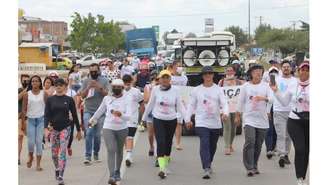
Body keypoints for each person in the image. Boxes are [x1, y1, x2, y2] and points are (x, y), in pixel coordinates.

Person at [141, 70, 187, 179]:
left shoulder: (175, 90)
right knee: (160, 141)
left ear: (170, 79)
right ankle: (162, 168)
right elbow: (150, 104)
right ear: (159, 79)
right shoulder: (155, 90)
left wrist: (187, 118)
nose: (165, 80)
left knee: (168, 142)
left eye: (167, 78)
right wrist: (143, 119)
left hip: (171, 119)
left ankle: (166, 160)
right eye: (163, 78)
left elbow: (180, 106)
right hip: (158, 118)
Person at [185, 66, 229, 179]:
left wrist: (225, 113)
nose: (208, 76)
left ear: (213, 75)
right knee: (204, 143)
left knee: (212, 146)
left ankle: (208, 162)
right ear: (203, 76)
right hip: (201, 122)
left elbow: (224, 103)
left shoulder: (218, 89)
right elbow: (191, 105)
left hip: (215, 123)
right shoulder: (197, 90)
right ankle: (206, 167)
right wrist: (187, 119)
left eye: (210, 73)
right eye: (206, 74)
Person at [270, 62, 309, 185]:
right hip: (295, 119)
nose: (304, 72)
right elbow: (284, 102)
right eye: (302, 70)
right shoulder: (294, 85)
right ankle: (299, 178)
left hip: (310, 121)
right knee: (300, 149)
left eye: (307, 70)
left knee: (307, 150)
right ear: (298, 71)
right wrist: (276, 91)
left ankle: (303, 175)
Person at [88, 79, 132, 185]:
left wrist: (121, 115)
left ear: (122, 88)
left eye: (118, 87)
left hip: (122, 128)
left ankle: (117, 171)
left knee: (119, 150)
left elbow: (129, 116)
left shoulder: (127, 99)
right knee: (111, 149)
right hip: (108, 127)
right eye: (114, 87)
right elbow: (100, 110)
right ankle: (112, 175)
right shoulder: (107, 98)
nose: (116, 89)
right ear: (112, 87)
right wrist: (92, 120)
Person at [235, 64, 272, 177]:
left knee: (258, 145)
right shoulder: (245, 86)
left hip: (262, 120)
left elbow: (272, 99)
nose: (258, 73)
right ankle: (249, 167)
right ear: (251, 73)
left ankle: (255, 164)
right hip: (249, 119)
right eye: (256, 71)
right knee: (250, 141)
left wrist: (263, 98)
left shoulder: (266, 86)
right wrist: (238, 116)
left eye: (260, 71)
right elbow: (240, 102)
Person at [44, 78, 82, 185]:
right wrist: (45, 128)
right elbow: (46, 115)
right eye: (56, 84)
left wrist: (78, 130)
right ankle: (57, 168)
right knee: (54, 154)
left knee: (62, 152)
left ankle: (61, 175)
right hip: (54, 129)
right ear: (54, 86)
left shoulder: (69, 99)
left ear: (65, 86)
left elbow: (74, 115)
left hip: (65, 127)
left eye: (61, 85)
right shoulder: (50, 99)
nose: (59, 86)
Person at [269, 60, 298, 168]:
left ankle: (285, 154)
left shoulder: (296, 81)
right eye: (284, 67)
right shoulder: (275, 80)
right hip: (278, 110)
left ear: (291, 69)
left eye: (288, 67)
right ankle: (282, 154)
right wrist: (268, 110)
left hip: (292, 111)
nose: (286, 68)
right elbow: (271, 94)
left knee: (289, 135)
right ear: (281, 69)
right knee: (281, 134)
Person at [80, 63, 110, 165]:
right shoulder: (86, 81)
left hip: (100, 112)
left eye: (95, 71)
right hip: (88, 111)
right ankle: (87, 156)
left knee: (97, 135)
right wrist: (88, 88)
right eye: (91, 71)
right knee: (88, 132)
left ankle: (96, 153)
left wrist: (99, 87)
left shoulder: (104, 80)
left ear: (98, 71)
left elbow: (108, 94)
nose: (93, 73)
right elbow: (82, 96)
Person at [22, 75, 48, 171]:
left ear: (40, 83)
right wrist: (23, 124)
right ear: (31, 83)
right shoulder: (26, 94)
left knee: (38, 142)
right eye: (33, 81)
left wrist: (48, 123)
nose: (34, 83)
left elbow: (48, 108)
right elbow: (24, 109)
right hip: (31, 120)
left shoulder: (44, 93)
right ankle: (30, 156)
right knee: (30, 142)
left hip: (41, 120)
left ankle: (38, 164)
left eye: (36, 81)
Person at [218, 66, 244, 155]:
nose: (229, 72)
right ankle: (227, 146)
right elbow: (218, 96)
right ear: (225, 72)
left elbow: (243, 95)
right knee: (227, 127)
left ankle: (231, 144)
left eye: (231, 71)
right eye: (227, 71)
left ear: (234, 72)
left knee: (234, 129)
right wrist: (220, 111)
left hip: (236, 108)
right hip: (225, 109)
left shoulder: (239, 82)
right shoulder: (221, 82)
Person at [122, 74, 144, 167]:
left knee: (129, 137)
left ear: (131, 82)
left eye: (128, 83)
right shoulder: (120, 91)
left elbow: (142, 104)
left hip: (133, 118)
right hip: (122, 119)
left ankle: (128, 155)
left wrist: (141, 118)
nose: (127, 85)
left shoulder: (136, 91)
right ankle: (128, 153)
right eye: (125, 83)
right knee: (124, 137)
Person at [168, 61, 188, 150]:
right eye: (177, 66)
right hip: (169, 102)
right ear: (173, 67)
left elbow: (184, 89)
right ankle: (169, 139)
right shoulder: (168, 77)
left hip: (180, 102)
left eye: (181, 66)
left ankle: (178, 143)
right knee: (169, 122)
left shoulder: (184, 78)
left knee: (179, 123)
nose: (179, 68)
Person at [143, 71, 160, 167]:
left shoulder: (163, 88)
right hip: (150, 113)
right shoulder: (148, 87)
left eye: (158, 79)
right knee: (150, 133)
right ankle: (151, 147)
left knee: (159, 133)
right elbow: (146, 99)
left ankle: (159, 153)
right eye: (155, 79)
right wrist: (153, 89)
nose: (157, 81)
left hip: (160, 113)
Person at [265, 67, 279, 159]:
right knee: (269, 129)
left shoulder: (281, 84)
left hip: (278, 109)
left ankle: (273, 147)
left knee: (275, 130)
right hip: (268, 109)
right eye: (271, 72)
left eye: (275, 72)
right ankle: (269, 149)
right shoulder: (265, 85)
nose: (273, 73)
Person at [18, 74, 30, 165]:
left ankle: (31, 156)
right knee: (19, 138)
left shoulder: (33, 91)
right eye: (24, 80)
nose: (25, 82)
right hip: (19, 117)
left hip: (29, 118)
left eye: (27, 80)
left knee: (31, 139)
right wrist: (26, 89)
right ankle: (18, 157)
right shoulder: (19, 90)